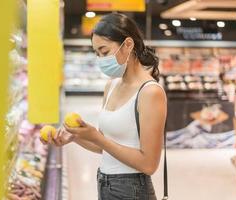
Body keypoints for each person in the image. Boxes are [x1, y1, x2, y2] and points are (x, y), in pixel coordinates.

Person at [40, 13, 167, 200]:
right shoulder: (111, 85)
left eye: (104, 51)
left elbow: (149, 164)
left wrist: (97, 138)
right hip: (105, 184)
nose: (100, 59)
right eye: (97, 53)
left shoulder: (150, 92)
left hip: (132, 190)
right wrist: (75, 137)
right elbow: (105, 147)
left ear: (128, 45)